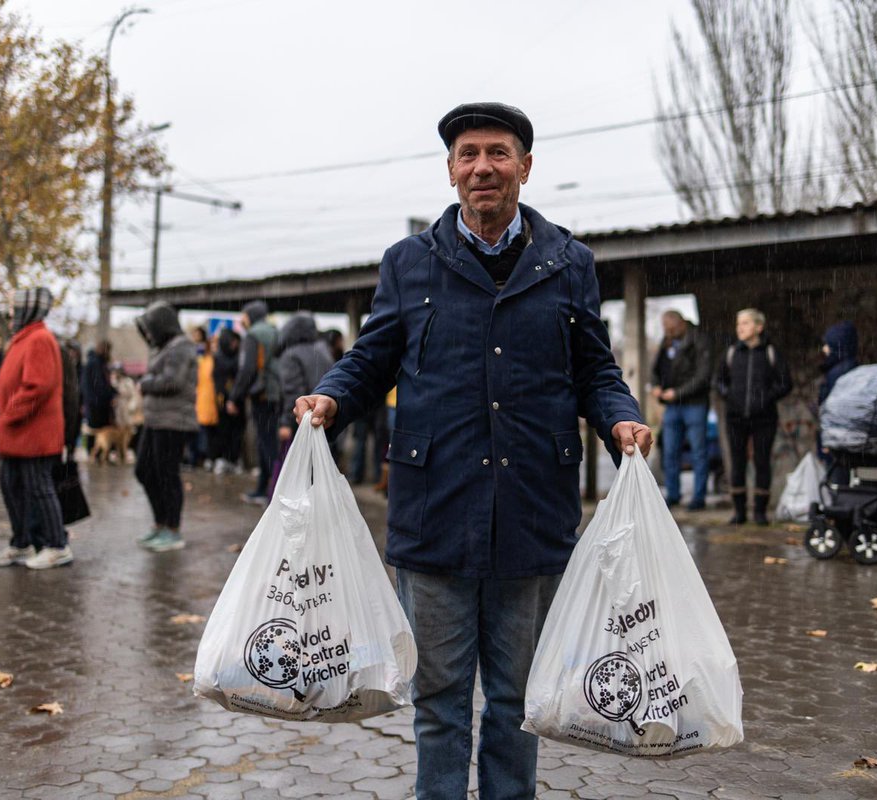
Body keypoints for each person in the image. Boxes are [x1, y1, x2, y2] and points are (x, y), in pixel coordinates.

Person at [295, 102, 651, 800]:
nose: (482, 166)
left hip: (532, 515)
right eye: (468, 154)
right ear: (451, 169)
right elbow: (372, 358)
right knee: (440, 707)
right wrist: (330, 398)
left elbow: (595, 372)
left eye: (497, 152)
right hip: (434, 516)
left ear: (524, 165)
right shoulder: (409, 263)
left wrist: (622, 422)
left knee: (519, 707)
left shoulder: (568, 262)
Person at [0, 288, 71, 570]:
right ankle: (21, 542)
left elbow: (38, 385)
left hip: (32, 433)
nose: (11, 315)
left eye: (15, 309)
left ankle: (57, 545)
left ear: (27, 311)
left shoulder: (39, 339)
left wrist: (9, 413)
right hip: (17, 434)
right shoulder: (23, 338)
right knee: (12, 487)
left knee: (39, 489)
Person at [716, 308, 792, 526]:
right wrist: (729, 396)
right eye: (739, 323)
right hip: (735, 417)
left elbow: (785, 382)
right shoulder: (731, 353)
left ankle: (760, 512)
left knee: (762, 461)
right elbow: (718, 380)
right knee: (737, 462)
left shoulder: (770, 352)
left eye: (746, 323)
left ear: (759, 327)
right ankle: (739, 512)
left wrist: (766, 398)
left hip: (764, 417)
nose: (740, 327)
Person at [133, 302, 198, 552]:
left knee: (167, 474)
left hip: (173, 421)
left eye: (151, 328)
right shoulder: (166, 346)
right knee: (144, 470)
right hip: (155, 420)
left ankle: (173, 530)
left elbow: (173, 381)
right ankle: (160, 523)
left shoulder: (181, 346)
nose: (149, 334)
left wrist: (145, 383)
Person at [650, 309, 712, 510]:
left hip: (695, 404)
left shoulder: (698, 340)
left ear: (681, 324)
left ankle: (698, 497)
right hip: (672, 406)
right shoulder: (666, 340)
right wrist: (656, 385)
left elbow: (703, 376)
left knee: (698, 451)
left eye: (671, 328)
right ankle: (673, 494)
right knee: (669, 451)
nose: (668, 331)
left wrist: (678, 393)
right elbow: (656, 369)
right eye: (665, 328)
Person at [226, 300, 279, 505]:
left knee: (266, 444)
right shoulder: (274, 331)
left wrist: (234, 396)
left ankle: (272, 492)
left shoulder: (253, 335)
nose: (242, 319)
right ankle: (264, 489)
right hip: (274, 392)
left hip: (261, 394)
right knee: (269, 442)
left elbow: (247, 370)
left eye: (244, 315)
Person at [275, 311, 334, 448]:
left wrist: (285, 423)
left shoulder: (290, 355)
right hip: (324, 418)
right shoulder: (323, 351)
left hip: (302, 420)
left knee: (299, 466)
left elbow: (294, 392)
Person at [211, 325, 243, 474]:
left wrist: (235, 399)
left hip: (236, 401)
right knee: (224, 432)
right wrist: (228, 399)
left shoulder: (238, 357)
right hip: (224, 400)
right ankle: (223, 459)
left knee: (236, 432)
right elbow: (219, 381)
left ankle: (233, 460)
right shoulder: (220, 358)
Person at [191, 326, 218, 469]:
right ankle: (200, 458)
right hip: (201, 399)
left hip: (206, 400)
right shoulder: (202, 359)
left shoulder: (208, 359)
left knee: (205, 432)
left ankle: (203, 457)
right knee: (202, 431)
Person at [81, 340, 116, 445]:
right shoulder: (96, 363)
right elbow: (99, 386)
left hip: (96, 403)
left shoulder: (96, 362)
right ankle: (94, 454)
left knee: (98, 431)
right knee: (97, 431)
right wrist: (111, 395)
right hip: (97, 404)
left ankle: (96, 454)